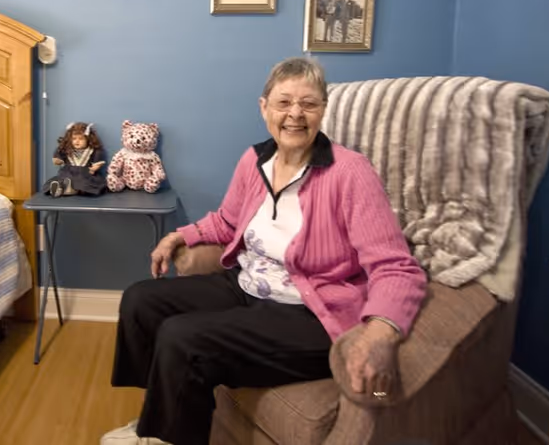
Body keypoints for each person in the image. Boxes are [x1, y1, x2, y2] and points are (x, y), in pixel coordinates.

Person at [101, 56, 427, 445]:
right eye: (283, 102)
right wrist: (180, 236)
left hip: (311, 311)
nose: (295, 114)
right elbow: (228, 222)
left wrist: (381, 332)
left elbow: (396, 267)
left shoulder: (350, 172)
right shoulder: (255, 160)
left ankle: (166, 435)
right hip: (248, 284)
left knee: (181, 336)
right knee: (140, 300)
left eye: (308, 103)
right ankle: (157, 417)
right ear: (264, 108)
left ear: (323, 109)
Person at [42, 121, 107, 197]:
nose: (77, 141)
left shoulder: (93, 150)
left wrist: (95, 167)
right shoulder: (66, 149)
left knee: (84, 183)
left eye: (81, 139)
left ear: (88, 139)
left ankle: (69, 189)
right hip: (67, 173)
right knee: (62, 179)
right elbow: (57, 158)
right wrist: (57, 161)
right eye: (74, 138)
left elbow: (96, 162)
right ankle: (59, 188)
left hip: (85, 174)